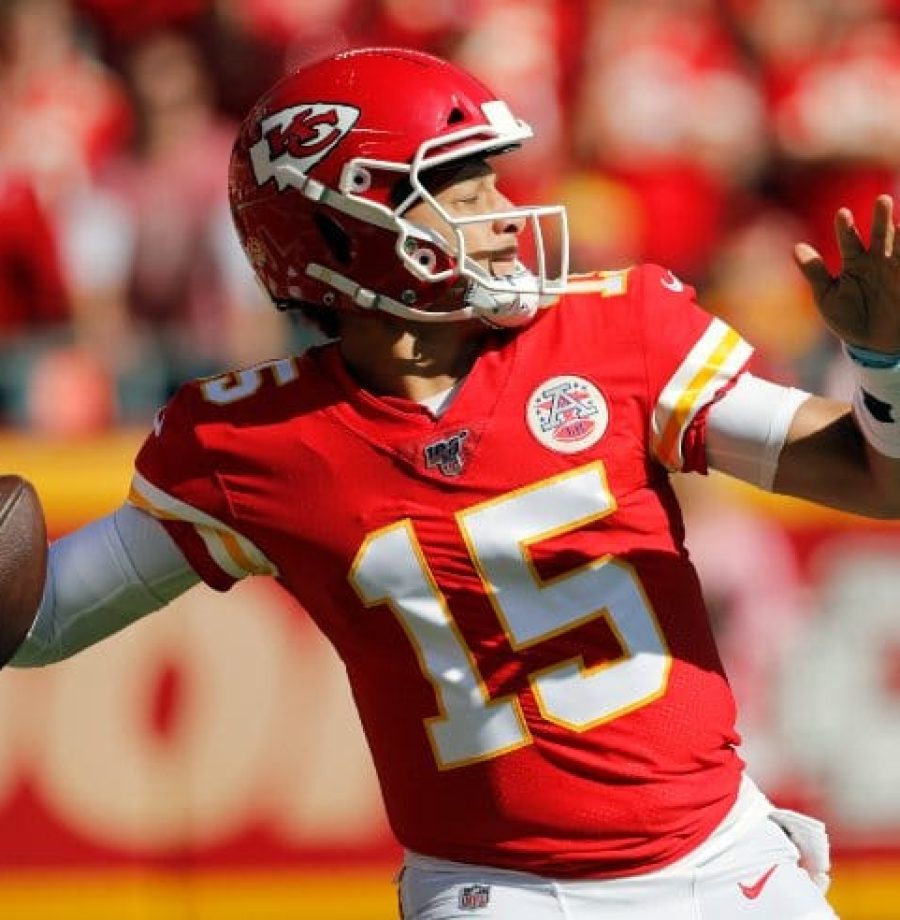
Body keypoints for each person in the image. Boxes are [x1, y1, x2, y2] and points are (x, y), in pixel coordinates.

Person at [5, 46, 900, 919]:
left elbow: (876, 478)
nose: (507, 215)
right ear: (339, 230)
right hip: (498, 892)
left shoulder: (617, 331)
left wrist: (882, 363)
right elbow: (40, 621)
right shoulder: (249, 440)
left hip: (722, 861)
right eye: (465, 193)